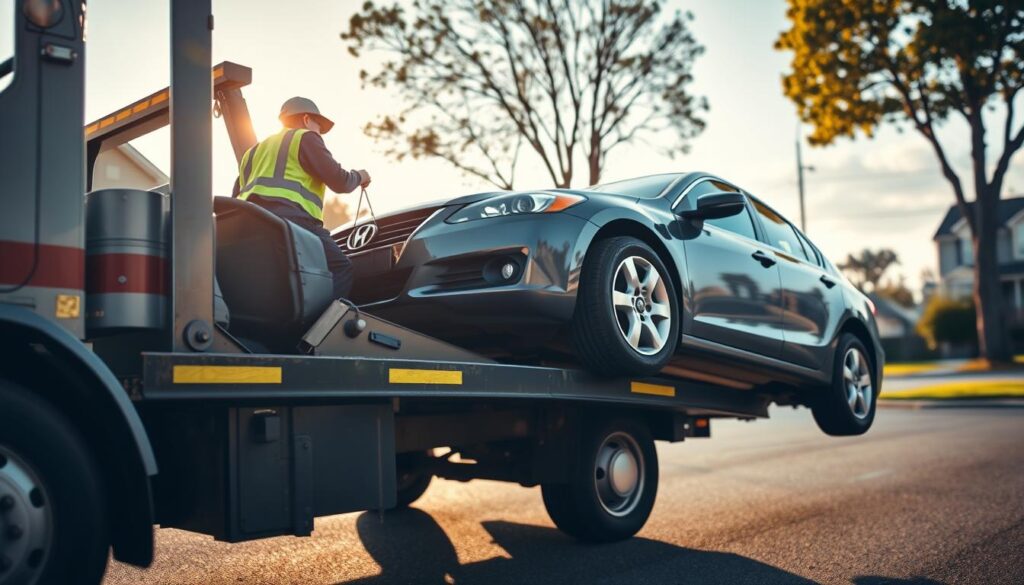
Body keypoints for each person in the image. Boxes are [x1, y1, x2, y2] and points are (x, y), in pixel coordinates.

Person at [233, 96, 370, 299]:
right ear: (306, 119)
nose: (319, 133)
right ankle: (321, 327)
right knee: (340, 268)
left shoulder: (251, 153)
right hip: (292, 219)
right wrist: (361, 176)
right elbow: (341, 182)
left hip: (250, 225)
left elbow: (236, 194)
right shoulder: (305, 137)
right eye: (318, 126)